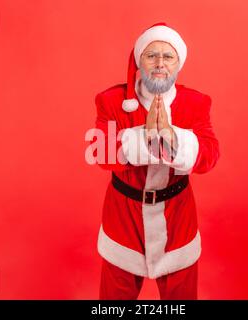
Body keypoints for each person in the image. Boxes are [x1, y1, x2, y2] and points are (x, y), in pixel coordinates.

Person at [90, 22, 220, 299]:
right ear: (140, 62)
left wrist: (173, 139)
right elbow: (99, 151)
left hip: (178, 217)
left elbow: (209, 155)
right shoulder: (112, 101)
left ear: (178, 64)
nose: (160, 63)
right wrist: (143, 137)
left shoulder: (196, 103)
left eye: (168, 56)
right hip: (123, 218)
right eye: (151, 55)